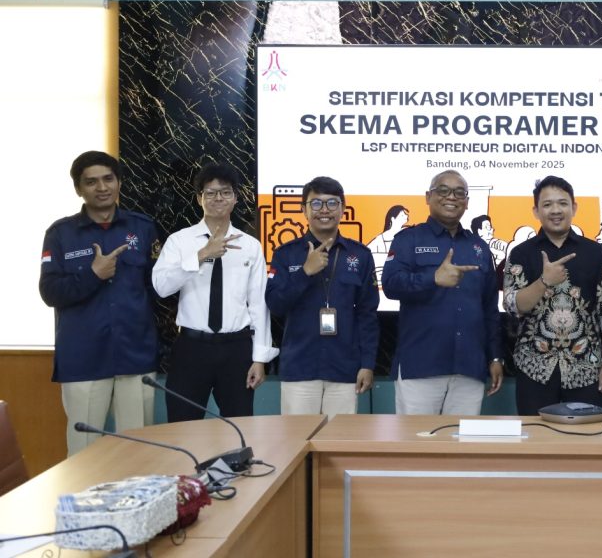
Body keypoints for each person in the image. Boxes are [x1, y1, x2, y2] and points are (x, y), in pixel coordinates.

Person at [39, 151, 160, 455]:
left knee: (139, 454)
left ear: (119, 182)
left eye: (108, 179)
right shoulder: (60, 234)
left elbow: (158, 287)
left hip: (135, 355)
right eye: (91, 182)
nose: (102, 187)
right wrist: (93, 274)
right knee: (84, 455)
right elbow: (50, 292)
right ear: (78, 189)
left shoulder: (142, 228)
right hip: (84, 359)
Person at [152, 164, 277, 422]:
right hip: (192, 347)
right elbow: (161, 287)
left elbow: (258, 304)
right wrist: (201, 255)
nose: (218, 198)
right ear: (199, 198)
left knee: (240, 425)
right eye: (210, 193)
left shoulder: (250, 245)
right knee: (182, 425)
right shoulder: (180, 241)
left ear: (236, 198)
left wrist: (259, 358)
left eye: (225, 192)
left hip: (237, 349)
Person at [381, 170, 503, 414]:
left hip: (469, 367)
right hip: (421, 365)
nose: (452, 197)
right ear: (428, 197)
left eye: (459, 192)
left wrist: (495, 357)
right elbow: (391, 284)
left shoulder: (479, 247)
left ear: (467, 202)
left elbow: (490, 309)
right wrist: (432, 278)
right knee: (416, 438)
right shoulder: (409, 239)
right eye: (443, 190)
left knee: (462, 438)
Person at [503, 176, 602, 415]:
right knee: (535, 434)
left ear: (574, 208)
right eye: (547, 204)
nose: (556, 210)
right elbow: (514, 306)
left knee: (586, 434)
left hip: (586, 368)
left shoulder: (596, 253)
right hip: (534, 367)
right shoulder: (520, 253)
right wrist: (544, 282)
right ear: (536, 211)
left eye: (562, 203)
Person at [266, 177, 379, 417]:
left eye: (332, 203)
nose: (324, 210)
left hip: (345, 368)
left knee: (339, 439)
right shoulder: (286, 254)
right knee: (298, 438)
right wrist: (305, 272)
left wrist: (368, 364)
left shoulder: (360, 255)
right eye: (316, 203)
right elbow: (275, 304)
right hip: (300, 367)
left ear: (343, 208)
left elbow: (367, 315)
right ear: (303, 209)